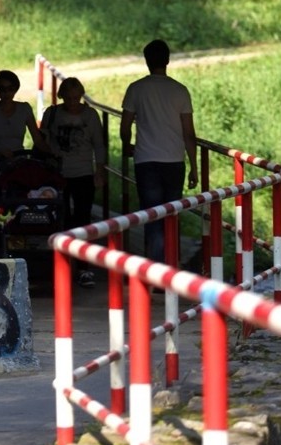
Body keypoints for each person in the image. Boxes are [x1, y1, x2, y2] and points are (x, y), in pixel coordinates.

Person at [119, 39, 198, 265]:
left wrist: (127, 146)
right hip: (174, 160)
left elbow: (125, 127)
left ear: (146, 61)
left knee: (152, 217)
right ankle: (171, 269)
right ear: (168, 60)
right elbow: (189, 134)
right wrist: (194, 167)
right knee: (171, 216)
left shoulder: (136, 89)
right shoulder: (180, 91)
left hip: (145, 161)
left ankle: (155, 271)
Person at [40, 77, 107, 287]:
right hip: (57, 174)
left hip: (83, 173)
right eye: (68, 98)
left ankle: (83, 268)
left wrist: (99, 171)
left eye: (76, 98)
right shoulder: (52, 114)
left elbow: (99, 145)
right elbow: (41, 141)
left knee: (82, 219)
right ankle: (62, 264)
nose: (72, 102)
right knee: (60, 219)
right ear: (61, 96)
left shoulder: (90, 115)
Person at [0, 70, 50, 231]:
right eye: (2, 89)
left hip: (17, 165)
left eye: (10, 88)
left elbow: (38, 139)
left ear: (16, 89)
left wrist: (52, 154)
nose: (6, 93)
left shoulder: (24, 109)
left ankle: (16, 235)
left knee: (19, 204)